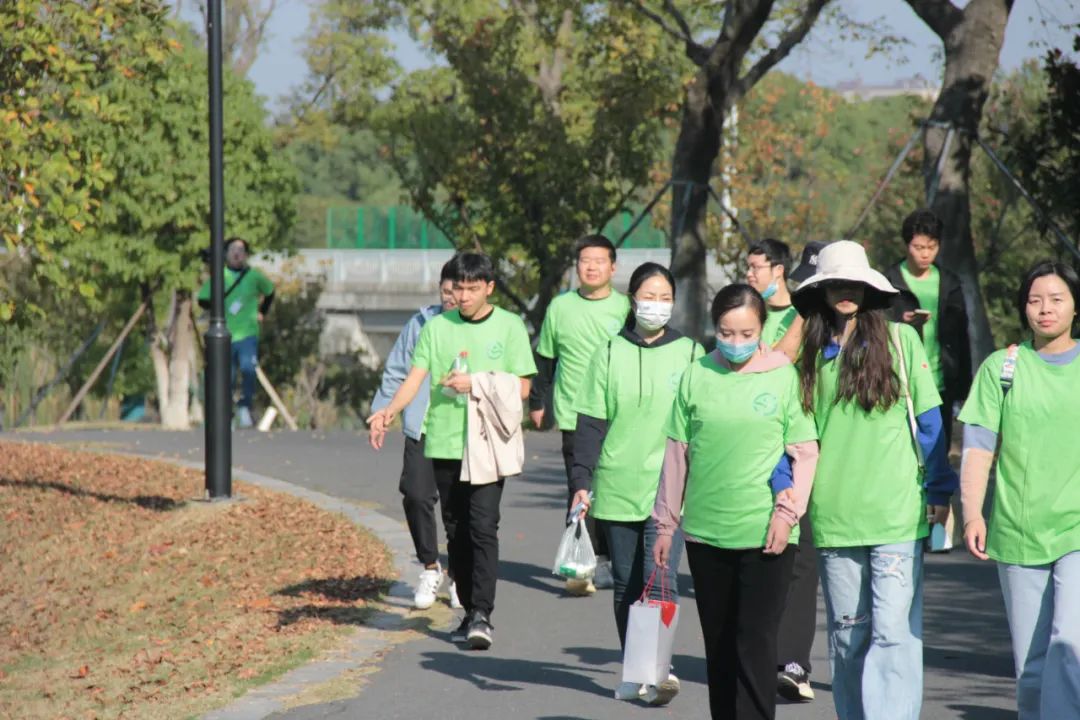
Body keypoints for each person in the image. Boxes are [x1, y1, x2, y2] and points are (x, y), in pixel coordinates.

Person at [791, 240, 958, 720]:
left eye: (855, 283)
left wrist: (939, 490)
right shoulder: (810, 355)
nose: (846, 292)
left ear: (869, 289)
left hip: (897, 514)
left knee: (893, 635)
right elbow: (797, 437)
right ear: (820, 292)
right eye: (835, 284)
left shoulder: (901, 341)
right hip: (834, 516)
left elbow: (930, 422)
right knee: (849, 638)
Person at [653, 283, 819, 720]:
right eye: (727, 333)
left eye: (747, 333)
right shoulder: (697, 375)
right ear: (715, 329)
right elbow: (676, 454)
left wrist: (787, 514)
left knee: (756, 643)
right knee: (721, 645)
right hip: (706, 534)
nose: (736, 342)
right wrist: (666, 524)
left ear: (762, 329)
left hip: (766, 532)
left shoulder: (782, 375)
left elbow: (804, 451)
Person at [366, 253, 536, 650]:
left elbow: (524, 387)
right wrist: (389, 412)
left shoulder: (509, 326)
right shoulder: (437, 327)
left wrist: (475, 382)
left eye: (472, 289)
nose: (463, 296)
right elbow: (415, 377)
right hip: (443, 441)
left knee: (483, 526)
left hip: (488, 442)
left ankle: (482, 614)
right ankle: (469, 610)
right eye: (458, 288)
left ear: (489, 288)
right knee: (456, 530)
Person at [569, 262, 702, 706]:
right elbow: (590, 422)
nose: (657, 305)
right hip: (617, 484)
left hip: (670, 488)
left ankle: (658, 670)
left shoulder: (690, 353)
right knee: (627, 584)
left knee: (659, 577)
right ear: (632, 299)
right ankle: (635, 669)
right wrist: (581, 481)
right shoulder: (608, 352)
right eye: (649, 296)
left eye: (666, 298)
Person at [958, 260, 1080, 719]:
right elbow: (978, 447)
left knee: (1069, 646)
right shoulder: (1002, 368)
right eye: (1035, 300)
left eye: (1056, 299)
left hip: (1076, 528)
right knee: (1032, 668)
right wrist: (973, 512)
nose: (1045, 309)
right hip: (1018, 530)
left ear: (1075, 306)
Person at [529, 235, 630, 595]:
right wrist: (538, 401)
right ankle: (579, 564)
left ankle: (608, 559)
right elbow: (546, 357)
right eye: (585, 260)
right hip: (574, 413)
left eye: (599, 261)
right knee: (580, 489)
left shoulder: (626, 308)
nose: (591, 267)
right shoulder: (560, 307)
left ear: (613, 267)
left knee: (613, 488)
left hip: (618, 414)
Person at [370, 259, 460, 611]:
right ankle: (430, 567)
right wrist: (382, 412)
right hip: (422, 426)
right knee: (416, 495)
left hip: (464, 431)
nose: (452, 297)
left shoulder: (480, 328)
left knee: (458, 508)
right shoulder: (420, 323)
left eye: (460, 291)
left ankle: (460, 575)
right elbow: (396, 371)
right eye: (446, 290)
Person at [773, 239, 826, 702]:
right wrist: (804, 316)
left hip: (847, 456)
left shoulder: (865, 328)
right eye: (804, 286)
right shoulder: (789, 321)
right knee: (797, 560)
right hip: (796, 453)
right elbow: (773, 363)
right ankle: (791, 661)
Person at [884, 209, 971, 446]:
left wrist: (963, 386)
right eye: (918, 247)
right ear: (906, 245)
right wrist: (901, 323)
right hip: (901, 382)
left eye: (932, 247)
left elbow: (961, 337)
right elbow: (877, 329)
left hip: (940, 382)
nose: (925, 254)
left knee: (938, 449)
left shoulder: (949, 283)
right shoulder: (889, 283)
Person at [197, 236, 274, 428]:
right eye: (233, 249)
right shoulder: (219, 276)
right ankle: (227, 414)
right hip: (225, 336)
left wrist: (262, 312)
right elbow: (203, 299)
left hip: (247, 334)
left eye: (241, 250)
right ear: (226, 254)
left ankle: (245, 406)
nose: (237, 253)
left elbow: (270, 291)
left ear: (246, 255)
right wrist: (217, 309)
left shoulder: (254, 276)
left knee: (248, 369)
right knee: (227, 376)